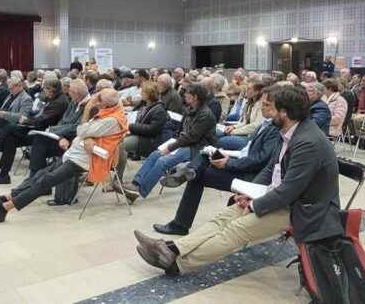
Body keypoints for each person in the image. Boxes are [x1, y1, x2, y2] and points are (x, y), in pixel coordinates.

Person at [133, 85, 343, 275]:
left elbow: (290, 190)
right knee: (225, 215)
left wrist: (255, 204)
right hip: (284, 200)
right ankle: (172, 249)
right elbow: (272, 168)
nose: (268, 114)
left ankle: (176, 264)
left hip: (306, 211)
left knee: (237, 229)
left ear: (284, 112)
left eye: (272, 109)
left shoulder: (308, 142)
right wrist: (249, 193)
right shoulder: (290, 131)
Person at [0, 88, 127, 222]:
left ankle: (3, 210)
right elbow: (86, 132)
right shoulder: (108, 112)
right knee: (39, 174)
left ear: (106, 104)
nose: (95, 102)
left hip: (86, 159)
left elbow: (81, 130)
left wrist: (87, 111)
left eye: (98, 100)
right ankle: (5, 198)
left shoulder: (112, 120)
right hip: (76, 153)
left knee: (46, 181)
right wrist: (87, 136)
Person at [153, 85, 283, 235]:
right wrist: (226, 154)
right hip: (243, 162)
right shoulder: (267, 124)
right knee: (206, 153)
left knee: (199, 174)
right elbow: (247, 152)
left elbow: (260, 161)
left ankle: (181, 220)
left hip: (251, 177)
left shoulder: (274, 128)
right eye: (262, 103)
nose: (262, 108)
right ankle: (190, 172)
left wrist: (228, 162)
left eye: (266, 105)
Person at [122, 84, 217, 202]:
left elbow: (191, 137)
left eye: (188, 93)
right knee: (155, 154)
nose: (185, 95)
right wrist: (170, 142)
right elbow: (180, 131)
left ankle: (139, 191)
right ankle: (136, 183)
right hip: (184, 143)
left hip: (198, 147)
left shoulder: (205, 114)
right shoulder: (190, 109)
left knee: (163, 161)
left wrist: (170, 147)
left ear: (195, 97)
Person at [0, 78, 68, 185]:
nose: (44, 93)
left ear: (52, 89)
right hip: (39, 128)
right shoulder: (53, 97)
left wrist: (26, 120)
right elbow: (40, 112)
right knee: (10, 139)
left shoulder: (59, 101)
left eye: (45, 90)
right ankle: (3, 175)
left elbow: (42, 120)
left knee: (10, 128)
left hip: (46, 133)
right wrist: (30, 116)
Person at [121, 81, 167, 169]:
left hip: (149, 142)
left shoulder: (159, 110)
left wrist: (131, 126)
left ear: (149, 95)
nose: (141, 93)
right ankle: (115, 171)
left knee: (120, 146)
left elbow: (151, 130)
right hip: (141, 136)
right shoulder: (148, 106)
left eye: (143, 92)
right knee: (117, 142)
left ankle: (116, 174)